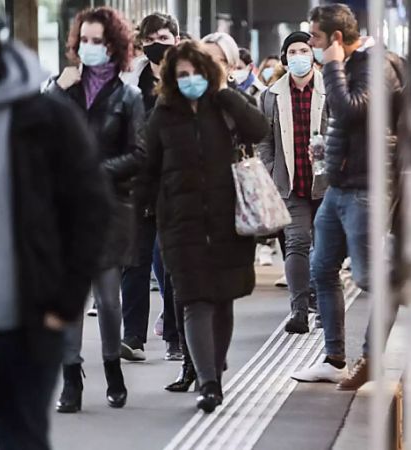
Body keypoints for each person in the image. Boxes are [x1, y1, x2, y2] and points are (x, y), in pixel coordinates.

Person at [0, 6, 112, 448]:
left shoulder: (45, 116)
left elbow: (90, 207)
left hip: (24, 323)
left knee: (21, 437)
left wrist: (63, 304)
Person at [142, 41, 268, 413]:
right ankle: (209, 383)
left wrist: (227, 95)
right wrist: (146, 215)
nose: (190, 80)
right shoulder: (163, 115)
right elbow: (147, 168)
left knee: (222, 300)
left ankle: (213, 366)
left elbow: (258, 129)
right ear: (170, 78)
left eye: (197, 72)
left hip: (228, 222)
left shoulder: (223, 106)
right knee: (194, 300)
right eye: (182, 75)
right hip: (181, 225)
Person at [291, 4, 405, 390]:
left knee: (372, 277)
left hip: (366, 188)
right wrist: (328, 150)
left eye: (318, 39)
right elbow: (350, 125)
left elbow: (350, 108)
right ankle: (334, 358)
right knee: (321, 269)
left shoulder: (376, 66)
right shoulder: (351, 67)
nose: (313, 47)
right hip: (340, 185)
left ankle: (374, 356)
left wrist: (334, 66)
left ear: (337, 39)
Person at [45, 6, 146, 412]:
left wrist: (94, 171)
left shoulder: (129, 95)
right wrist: (55, 89)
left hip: (109, 207)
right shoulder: (62, 88)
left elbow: (139, 153)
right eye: (83, 40)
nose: (88, 48)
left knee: (108, 299)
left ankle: (113, 369)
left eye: (97, 41)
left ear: (114, 46)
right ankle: (71, 378)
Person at [120, 11, 183, 363]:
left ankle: (174, 336)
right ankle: (133, 337)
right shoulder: (132, 79)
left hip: (176, 183)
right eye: (152, 39)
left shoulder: (188, 75)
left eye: (164, 38)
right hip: (138, 183)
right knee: (135, 261)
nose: (158, 45)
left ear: (176, 38)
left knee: (172, 263)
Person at [258, 31, 328, 335]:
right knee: (297, 244)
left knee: (325, 249)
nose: (299, 56)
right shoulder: (271, 95)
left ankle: (326, 308)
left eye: (305, 50)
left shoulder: (331, 90)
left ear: (313, 55)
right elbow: (265, 141)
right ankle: (299, 310)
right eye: (293, 52)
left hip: (326, 182)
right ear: (285, 58)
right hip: (291, 183)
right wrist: (270, 172)